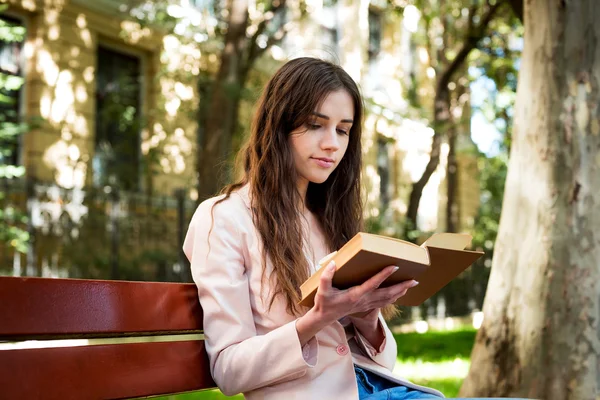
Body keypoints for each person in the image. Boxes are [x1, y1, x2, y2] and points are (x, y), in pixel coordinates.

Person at [183, 57, 522, 400]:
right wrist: (317, 318)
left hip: (380, 389)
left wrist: (366, 313)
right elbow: (229, 370)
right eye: (316, 125)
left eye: (343, 130)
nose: (333, 143)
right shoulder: (223, 218)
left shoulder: (328, 216)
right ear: (278, 125)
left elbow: (385, 361)